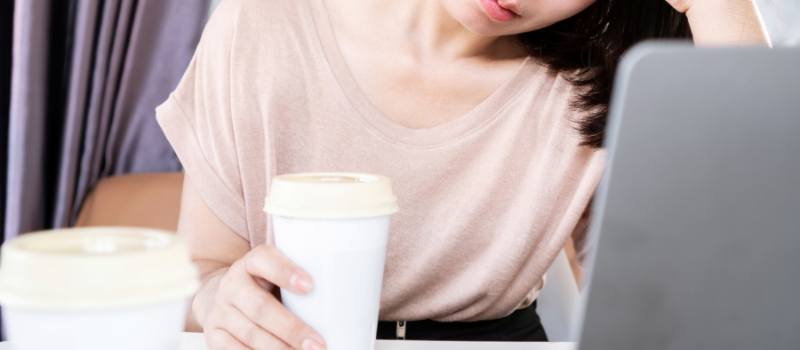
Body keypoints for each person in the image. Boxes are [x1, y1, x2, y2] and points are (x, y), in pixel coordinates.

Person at [156, 0, 769, 348]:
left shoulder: (600, 80)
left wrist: (716, 5)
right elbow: (201, 273)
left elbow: (712, 284)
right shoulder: (266, 23)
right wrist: (217, 299)